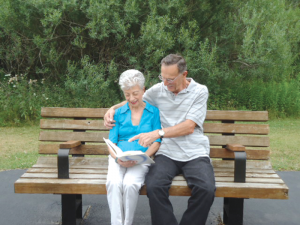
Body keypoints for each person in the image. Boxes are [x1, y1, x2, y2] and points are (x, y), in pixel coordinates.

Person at [104, 54, 216, 225]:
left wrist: (159, 133)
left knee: (206, 189)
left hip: (194, 152)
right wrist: (112, 108)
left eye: (170, 79)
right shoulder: (159, 90)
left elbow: (189, 126)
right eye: (162, 78)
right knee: (154, 186)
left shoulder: (200, 91)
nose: (165, 83)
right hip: (167, 152)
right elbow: (135, 98)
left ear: (184, 74)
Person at [105, 69, 161, 225]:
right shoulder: (118, 113)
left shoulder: (153, 112)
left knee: (130, 185)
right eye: (127, 94)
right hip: (118, 157)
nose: (132, 98)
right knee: (114, 183)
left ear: (143, 90)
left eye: (135, 93)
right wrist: (117, 158)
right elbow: (111, 142)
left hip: (141, 159)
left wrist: (144, 158)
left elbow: (157, 141)